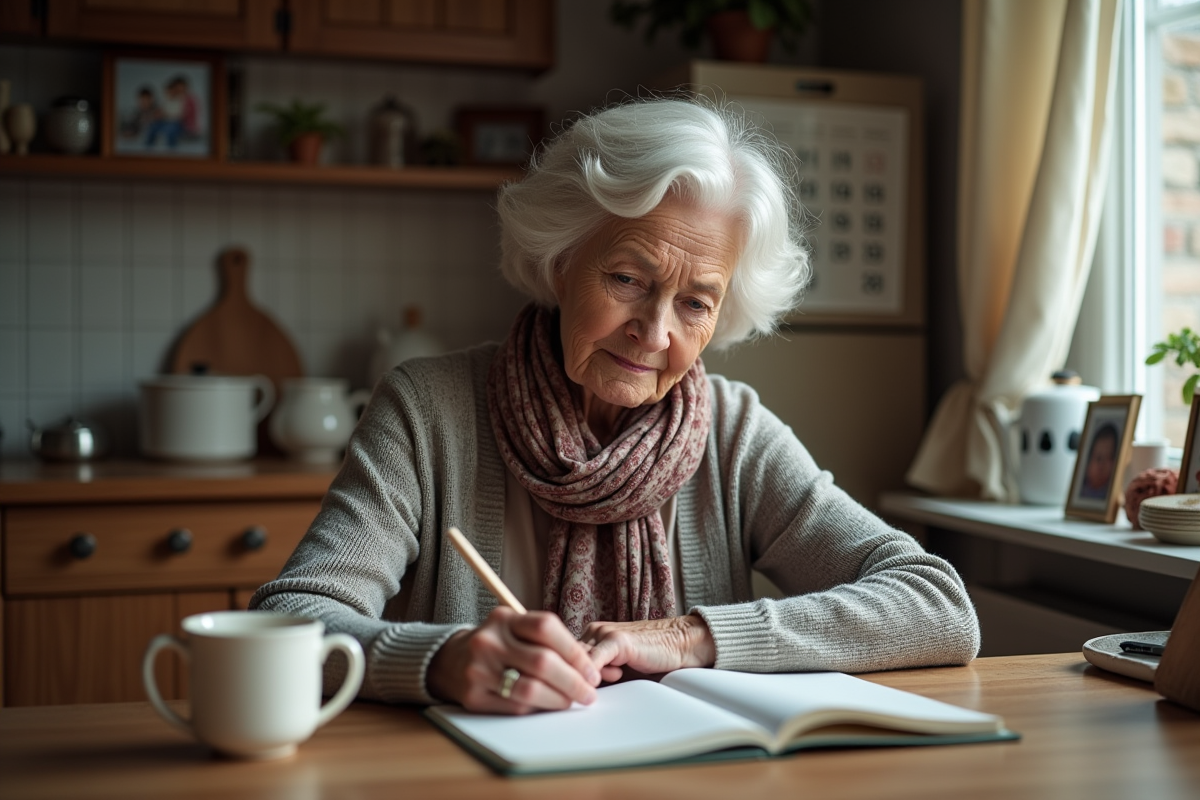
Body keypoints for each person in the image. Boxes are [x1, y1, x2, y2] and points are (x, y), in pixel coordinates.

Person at [251, 98, 980, 714]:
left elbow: (937, 607)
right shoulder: (426, 410)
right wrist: (440, 659)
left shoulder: (732, 433)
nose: (656, 332)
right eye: (629, 278)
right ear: (562, 260)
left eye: (695, 303)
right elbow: (285, 620)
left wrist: (686, 638)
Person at [1080, 422, 1119, 500]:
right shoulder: (1081, 491)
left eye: (1109, 458)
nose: (1102, 465)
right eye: (1099, 458)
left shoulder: (1111, 496)